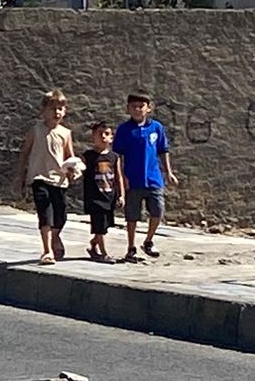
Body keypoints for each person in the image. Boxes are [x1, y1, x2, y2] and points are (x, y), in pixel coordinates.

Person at [112, 91, 177, 262]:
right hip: (132, 179)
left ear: (148, 108)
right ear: (128, 108)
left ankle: (148, 240)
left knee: (157, 210)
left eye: (141, 106)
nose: (137, 110)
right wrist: (120, 177)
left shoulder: (156, 128)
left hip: (153, 178)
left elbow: (163, 151)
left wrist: (168, 172)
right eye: (134, 107)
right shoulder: (124, 130)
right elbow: (117, 155)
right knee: (132, 216)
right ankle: (131, 246)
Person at [14, 89, 76, 265]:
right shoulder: (36, 131)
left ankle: (56, 237)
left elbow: (69, 157)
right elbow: (24, 153)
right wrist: (20, 175)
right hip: (39, 178)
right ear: (43, 110)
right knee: (45, 214)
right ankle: (47, 250)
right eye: (53, 108)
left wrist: (72, 170)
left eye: (60, 109)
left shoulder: (65, 133)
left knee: (60, 216)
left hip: (59, 180)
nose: (57, 112)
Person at [80, 121, 122, 263]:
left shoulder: (114, 157)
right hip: (94, 198)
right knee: (99, 227)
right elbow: (79, 169)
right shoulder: (88, 156)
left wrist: (121, 194)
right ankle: (103, 253)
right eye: (100, 134)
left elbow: (118, 177)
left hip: (109, 196)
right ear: (93, 136)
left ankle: (93, 244)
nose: (103, 137)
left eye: (107, 134)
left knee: (105, 226)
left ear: (111, 138)